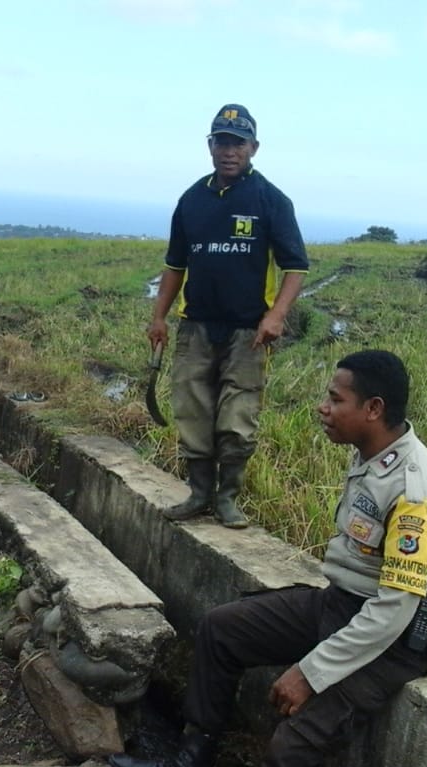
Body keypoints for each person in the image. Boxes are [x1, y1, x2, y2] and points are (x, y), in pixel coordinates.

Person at [109, 350, 427, 767]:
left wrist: (311, 672)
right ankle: (190, 759)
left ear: (373, 409)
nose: (323, 407)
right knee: (221, 630)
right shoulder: (372, 454)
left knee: (288, 749)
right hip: (343, 605)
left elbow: (393, 610)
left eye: (335, 399)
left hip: (392, 642)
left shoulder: (416, 493)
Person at [148, 104, 309, 529]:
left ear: (253, 147)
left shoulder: (271, 200)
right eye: (222, 141)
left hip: (247, 332)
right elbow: (175, 265)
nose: (229, 150)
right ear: (210, 146)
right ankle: (199, 494)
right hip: (196, 326)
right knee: (192, 409)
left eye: (238, 142)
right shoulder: (191, 199)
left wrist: (275, 316)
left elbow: (296, 268)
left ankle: (227, 499)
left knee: (238, 416)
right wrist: (158, 316)